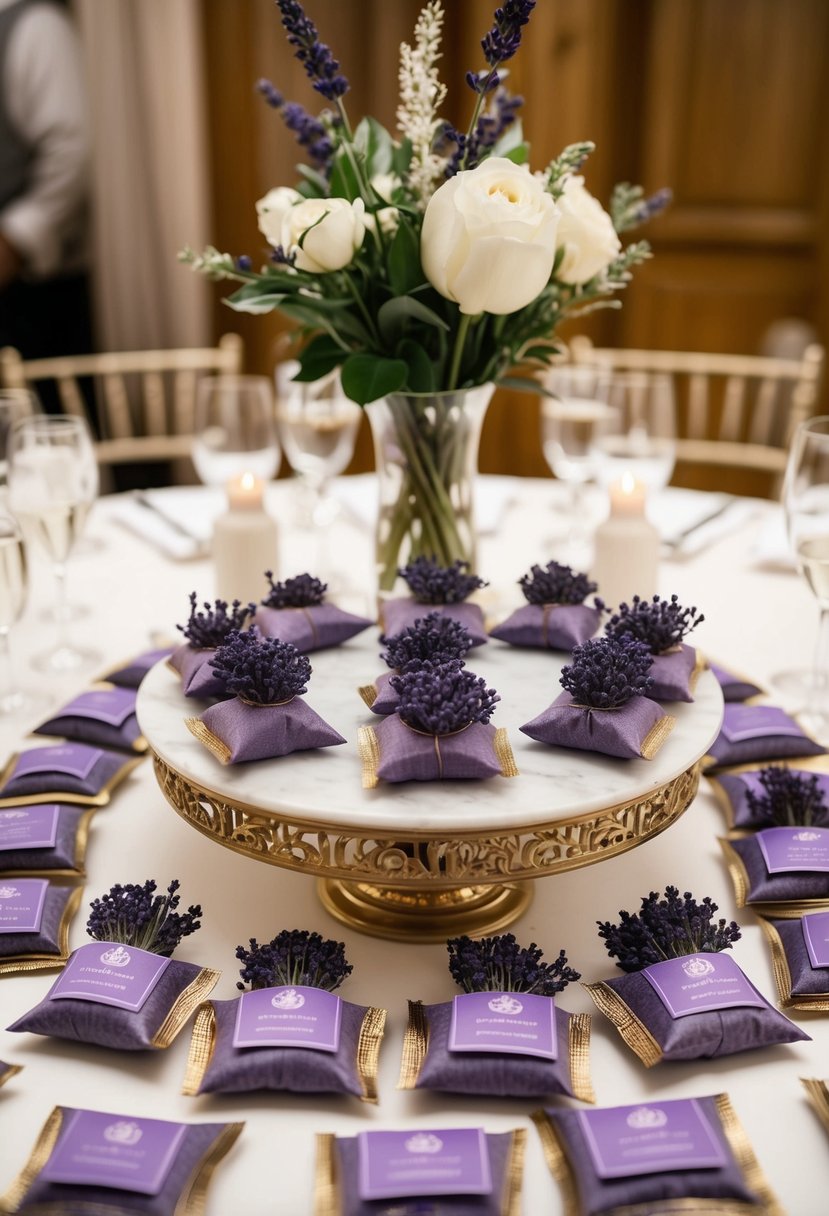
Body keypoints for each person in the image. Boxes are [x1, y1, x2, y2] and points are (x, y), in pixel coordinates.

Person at [0, 0, 92, 386]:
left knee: (38, 433)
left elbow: (72, 150)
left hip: (29, 295)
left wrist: (14, 241)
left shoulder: (35, 25)